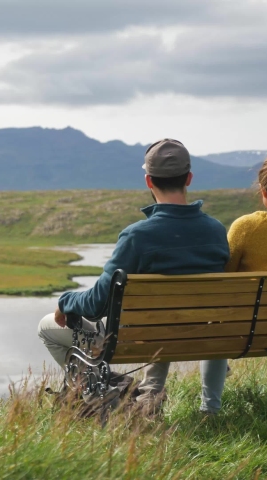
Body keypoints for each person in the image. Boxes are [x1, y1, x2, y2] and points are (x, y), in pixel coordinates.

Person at [37, 138, 231, 415]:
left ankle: (99, 398)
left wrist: (65, 301)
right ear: (189, 178)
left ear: (148, 181)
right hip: (199, 335)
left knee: (46, 328)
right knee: (162, 320)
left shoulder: (138, 236)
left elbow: (96, 305)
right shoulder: (215, 230)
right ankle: (185, 406)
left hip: (141, 339)